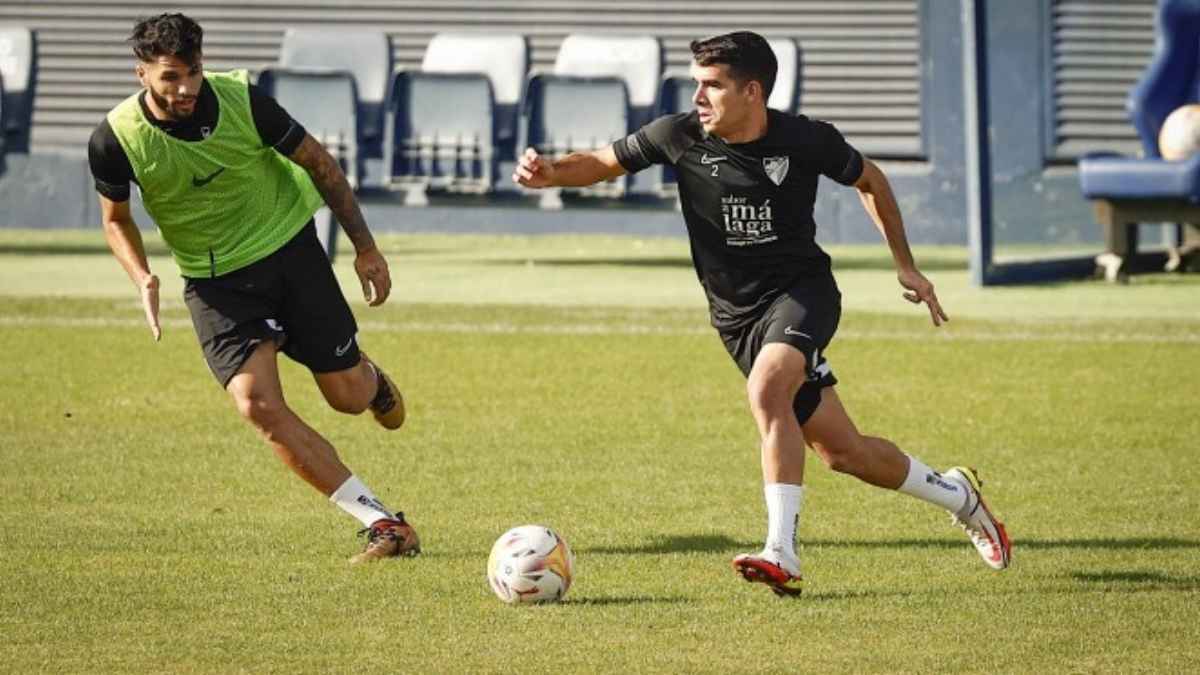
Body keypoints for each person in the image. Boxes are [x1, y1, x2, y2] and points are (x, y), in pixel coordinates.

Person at [514, 31, 1011, 596]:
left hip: (804, 293)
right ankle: (958, 495)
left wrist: (907, 266)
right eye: (696, 83)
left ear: (752, 91)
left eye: (712, 86)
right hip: (736, 318)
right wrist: (551, 172)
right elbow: (602, 163)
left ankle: (783, 552)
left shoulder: (805, 139)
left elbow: (870, 179)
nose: (698, 96)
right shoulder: (676, 135)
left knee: (768, 390)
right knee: (844, 452)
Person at [87, 13, 418, 564]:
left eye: (193, 71)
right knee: (255, 403)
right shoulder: (115, 139)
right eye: (170, 76)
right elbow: (116, 218)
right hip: (215, 282)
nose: (186, 87)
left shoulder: (244, 100)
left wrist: (365, 247)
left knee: (348, 398)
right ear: (141, 73)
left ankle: (370, 378)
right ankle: (383, 523)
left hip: (288, 251)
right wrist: (142, 274)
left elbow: (320, 164)